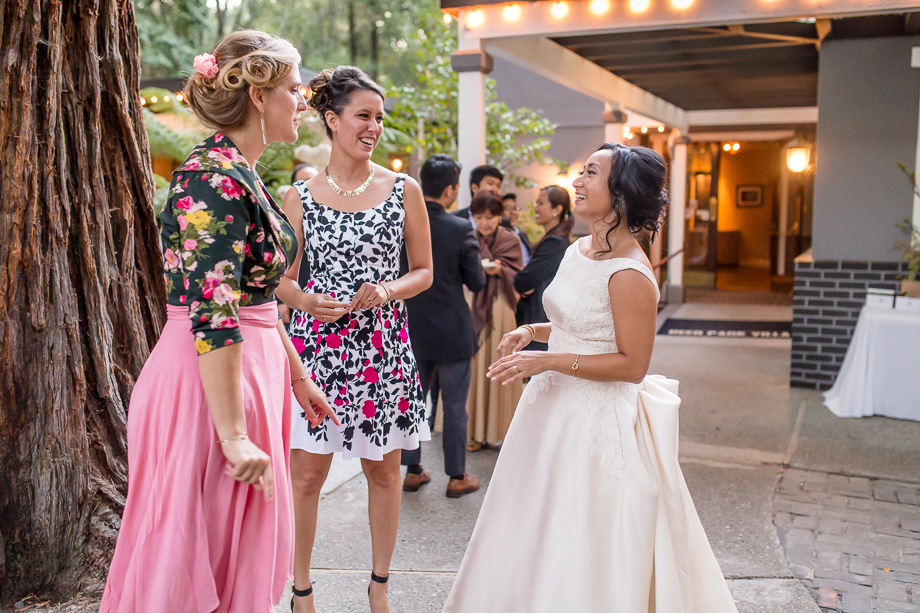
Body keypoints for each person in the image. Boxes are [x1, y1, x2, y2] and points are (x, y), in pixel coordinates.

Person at [442, 144, 738, 613]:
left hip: (594, 422)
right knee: (531, 522)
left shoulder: (630, 273)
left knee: (579, 532)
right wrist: (529, 331)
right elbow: (572, 324)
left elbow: (631, 364)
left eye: (591, 174)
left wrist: (549, 360)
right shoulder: (580, 249)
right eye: (582, 171)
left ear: (620, 193)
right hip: (549, 414)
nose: (578, 182)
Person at [100, 30, 337, 613]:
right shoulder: (210, 177)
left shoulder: (244, 172)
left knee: (239, 546)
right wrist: (232, 434)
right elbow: (214, 308)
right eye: (293, 87)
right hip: (206, 382)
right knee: (194, 549)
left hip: (250, 371)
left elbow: (254, 296)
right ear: (258, 95)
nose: (301, 99)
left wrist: (297, 374)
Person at [275, 66, 433, 613]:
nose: (373, 128)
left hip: (381, 349)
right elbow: (280, 279)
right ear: (331, 120)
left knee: (384, 470)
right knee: (307, 474)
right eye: (363, 116)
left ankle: (380, 585)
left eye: (378, 119)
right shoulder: (298, 196)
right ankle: (301, 589)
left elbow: (424, 272)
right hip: (316, 350)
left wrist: (387, 290)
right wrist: (305, 301)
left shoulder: (403, 190)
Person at [399, 154, 486, 498]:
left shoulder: (403, 224)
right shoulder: (460, 227)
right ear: (450, 189)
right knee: (453, 405)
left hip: (412, 329)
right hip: (452, 331)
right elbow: (476, 281)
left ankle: (413, 469)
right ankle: (456, 476)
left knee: (412, 400)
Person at [465, 192, 524, 452]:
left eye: (489, 217)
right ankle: (475, 432)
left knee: (501, 362)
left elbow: (520, 275)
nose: (484, 223)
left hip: (500, 305)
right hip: (473, 302)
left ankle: (504, 430)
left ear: (499, 216)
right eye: (479, 217)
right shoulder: (468, 237)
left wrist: (502, 270)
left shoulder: (511, 239)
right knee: (476, 366)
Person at [513, 185, 572, 350]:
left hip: (541, 317)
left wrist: (523, 283)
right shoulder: (555, 239)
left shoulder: (555, 243)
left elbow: (523, 279)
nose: (535, 208)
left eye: (541, 203)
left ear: (557, 209)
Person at [501, 193, 532, 263]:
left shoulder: (522, 235)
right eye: (507, 208)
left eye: (515, 208)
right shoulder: (497, 238)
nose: (513, 212)